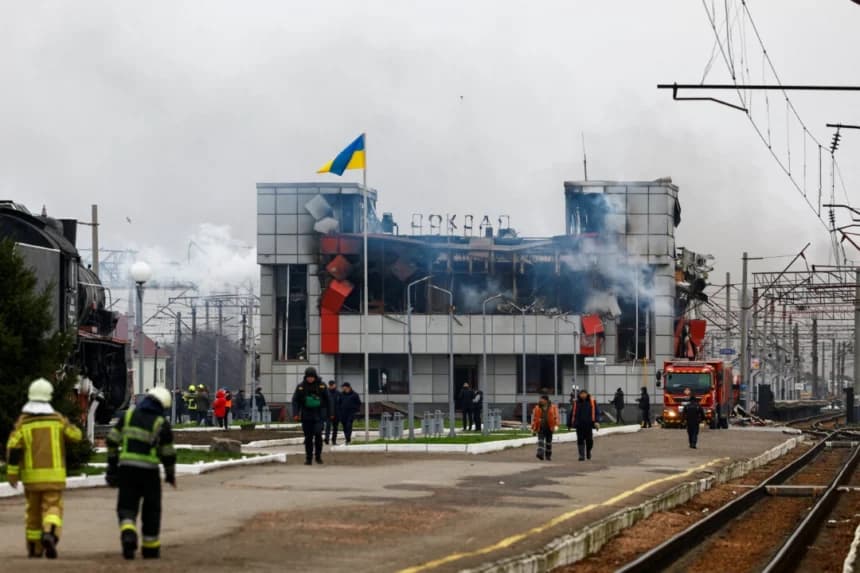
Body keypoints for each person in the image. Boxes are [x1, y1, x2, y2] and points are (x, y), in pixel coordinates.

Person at [5, 378, 83, 559]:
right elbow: (75, 436)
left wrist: (12, 473)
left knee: (32, 512)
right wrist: (69, 424)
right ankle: (50, 533)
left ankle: (34, 548)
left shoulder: (24, 424)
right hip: (54, 477)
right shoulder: (57, 421)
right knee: (53, 508)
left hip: (31, 479)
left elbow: (13, 446)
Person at [105, 387, 176, 560]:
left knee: (127, 505)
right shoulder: (161, 423)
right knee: (152, 509)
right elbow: (167, 452)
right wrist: (169, 474)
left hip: (127, 469)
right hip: (149, 471)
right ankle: (150, 548)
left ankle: (128, 533)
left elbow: (112, 439)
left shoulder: (128, 416)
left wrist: (112, 466)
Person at [291, 367, 332, 465]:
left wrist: (330, 413)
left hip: (319, 415)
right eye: (308, 377)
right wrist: (296, 413)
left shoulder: (321, 386)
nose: (310, 379)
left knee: (318, 435)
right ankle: (308, 458)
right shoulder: (301, 387)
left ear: (315, 376)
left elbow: (328, 400)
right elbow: (295, 400)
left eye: (312, 377)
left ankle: (318, 456)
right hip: (306, 415)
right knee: (308, 437)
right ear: (306, 377)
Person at [572, 389, 601, 461]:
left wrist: (596, 421)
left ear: (587, 394)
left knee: (589, 441)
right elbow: (573, 413)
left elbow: (597, 412)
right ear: (579, 395)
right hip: (579, 425)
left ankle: (588, 451)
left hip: (589, 425)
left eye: (584, 393)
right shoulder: (577, 403)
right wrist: (570, 424)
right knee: (580, 440)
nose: (583, 395)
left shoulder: (592, 402)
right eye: (581, 394)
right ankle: (581, 455)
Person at [530, 395, 559, 461]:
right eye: (540, 400)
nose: (540, 401)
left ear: (546, 401)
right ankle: (540, 454)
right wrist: (533, 428)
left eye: (542, 400)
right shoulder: (537, 408)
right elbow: (535, 419)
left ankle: (548, 456)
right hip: (541, 427)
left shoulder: (553, 407)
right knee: (541, 442)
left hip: (549, 427)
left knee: (548, 443)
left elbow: (556, 417)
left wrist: (556, 425)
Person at [324, 380, 341, 445]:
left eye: (333, 385)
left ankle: (334, 440)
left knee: (335, 428)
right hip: (328, 413)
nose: (332, 386)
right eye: (331, 385)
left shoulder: (338, 393)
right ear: (329, 385)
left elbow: (340, 403)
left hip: (336, 414)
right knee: (328, 427)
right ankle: (327, 439)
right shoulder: (326, 393)